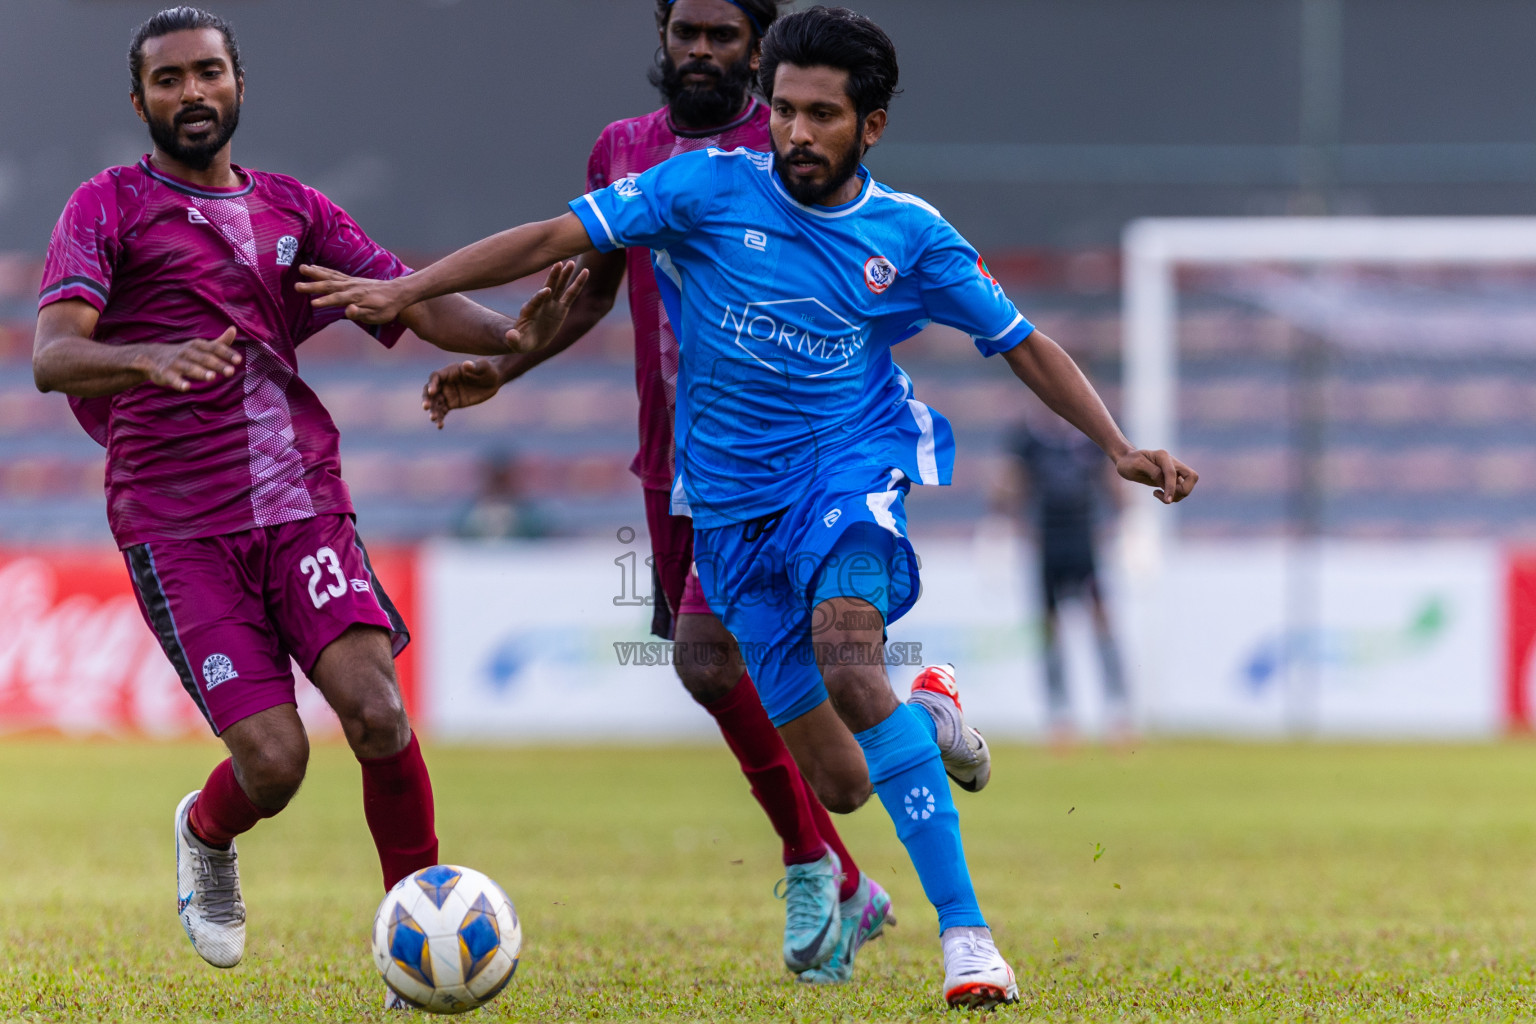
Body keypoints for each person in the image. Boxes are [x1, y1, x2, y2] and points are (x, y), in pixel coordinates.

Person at [298, 5, 1198, 1008]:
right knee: (846, 782)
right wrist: (417, 297)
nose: (798, 133)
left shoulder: (909, 235)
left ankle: (969, 937)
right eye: (785, 111)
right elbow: (558, 239)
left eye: (823, 114)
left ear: (873, 126)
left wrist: (1118, 445)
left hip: (849, 472)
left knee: (850, 654)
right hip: (727, 506)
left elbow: (1023, 341)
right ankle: (928, 710)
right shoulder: (701, 187)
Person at [29, 7, 584, 1000]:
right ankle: (206, 830)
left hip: (301, 502)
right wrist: (145, 357)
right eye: (168, 80)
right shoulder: (106, 206)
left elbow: (411, 298)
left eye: (206, 73)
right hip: (177, 526)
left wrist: (514, 335)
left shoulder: (296, 212)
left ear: (237, 84)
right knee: (277, 762)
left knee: (375, 710)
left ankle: (420, 940)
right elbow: (52, 354)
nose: (190, 93)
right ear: (140, 101)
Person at [419, 0, 891, 985]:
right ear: (665, 41)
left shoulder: (794, 141)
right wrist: (504, 370)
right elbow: (591, 286)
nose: (705, 53)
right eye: (689, 34)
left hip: (791, 456)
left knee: (751, 661)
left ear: (758, 47)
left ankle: (828, 855)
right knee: (711, 668)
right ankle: (835, 867)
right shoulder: (622, 150)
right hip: (670, 456)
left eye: (725, 37)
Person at [997, 412, 1130, 745]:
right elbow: (1010, 487)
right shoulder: (1028, 439)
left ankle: (1119, 714)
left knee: (1102, 625)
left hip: (1085, 545)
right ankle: (1060, 719)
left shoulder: (1092, 437)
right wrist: (1007, 520)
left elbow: (1115, 489)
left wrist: (1126, 523)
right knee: (1050, 632)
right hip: (1048, 546)